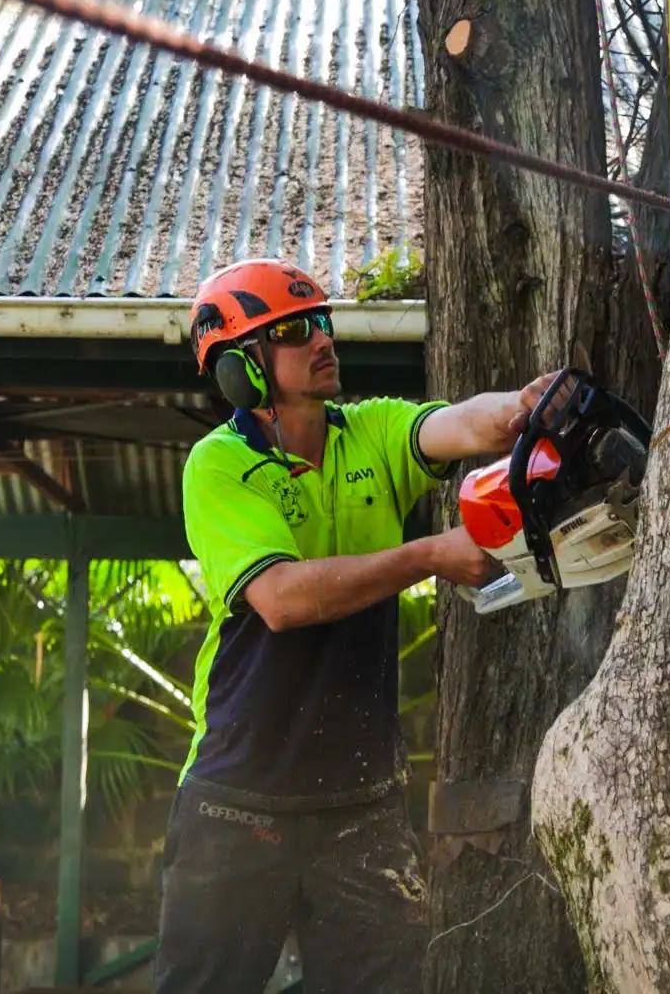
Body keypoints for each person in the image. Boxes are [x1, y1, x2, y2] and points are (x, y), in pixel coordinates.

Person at [154, 257, 553, 994]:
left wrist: (523, 409)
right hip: (237, 799)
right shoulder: (219, 467)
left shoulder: (368, 430)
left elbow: (460, 422)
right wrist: (431, 554)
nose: (322, 341)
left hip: (361, 803)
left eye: (323, 324)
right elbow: (282, 600)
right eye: (296, 332)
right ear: (243, 367)